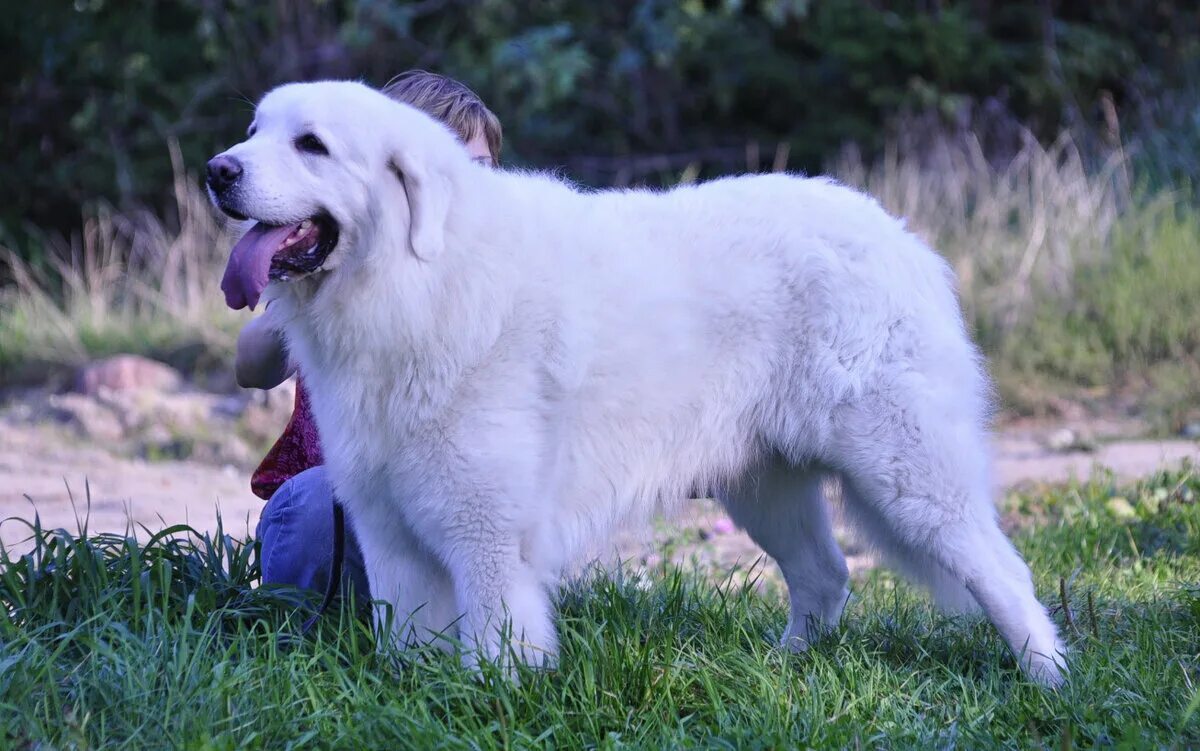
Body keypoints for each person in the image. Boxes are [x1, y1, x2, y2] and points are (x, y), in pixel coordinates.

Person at [236, 71, 503, 603]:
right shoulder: (339, 268)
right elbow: (251, 367)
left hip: (447, 518)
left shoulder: (490, 280)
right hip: (334, 519)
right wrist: (297, 311)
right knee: (318, 499)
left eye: (482, 173)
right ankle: (309, 627)